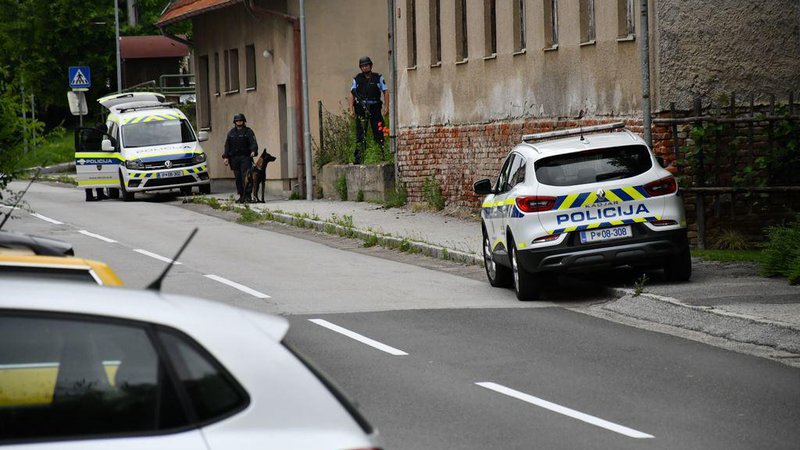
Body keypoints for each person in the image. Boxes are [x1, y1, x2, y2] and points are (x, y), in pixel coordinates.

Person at [349, 56, 389, 164]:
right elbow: (352, 94)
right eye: (362, 66)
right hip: (361, 108)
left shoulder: (378, 77)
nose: (365, 67)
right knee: (361, 134)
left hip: (375, 107)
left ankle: (381, 155)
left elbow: (385, 91)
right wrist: (351, 109)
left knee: (379, 131)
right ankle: (359, 158)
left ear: (370, 66)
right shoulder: (357, 79)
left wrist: (386, 107)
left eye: (366, 65)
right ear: (360, 68)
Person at [222, 113, 258, 203]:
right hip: (234, 159)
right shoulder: (231, 133)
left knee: (245, 177)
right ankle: (241, 195)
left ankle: (248, 195)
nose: (239, 122)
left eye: (241, 120)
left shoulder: (248, 131)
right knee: (238, 178)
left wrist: (253, 151)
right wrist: (226, 157)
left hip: (245, 157)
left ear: (244, 121)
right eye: (237, 121)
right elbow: (227, 146)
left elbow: (253, 142)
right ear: (235, 122)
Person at [84, 122, 109, 202]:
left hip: (91, 156)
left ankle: (99, 194)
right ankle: (89, 196)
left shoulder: (91, 133)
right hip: (89, 157)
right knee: (90, 176)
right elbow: (93, 146)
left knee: (98, 175)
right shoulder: (93, 135)